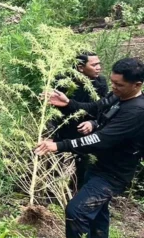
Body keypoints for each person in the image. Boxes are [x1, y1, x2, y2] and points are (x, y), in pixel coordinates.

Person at [36, 58, 144, 238]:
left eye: (119, 84)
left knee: (76, 212)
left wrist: (59, 145)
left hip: (112, 174)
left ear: (137, 84)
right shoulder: (117, 96)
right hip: (97, 165)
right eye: (112, 82)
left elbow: (100, 140)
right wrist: (68, 103)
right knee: (97, 216)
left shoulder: (136, 111)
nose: (114, 87)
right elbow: (95, 108)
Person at [52, 52, 109, 188]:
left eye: (99, 64)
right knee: (55, 166)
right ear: (80, 68)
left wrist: (93, 123)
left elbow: (102, 109)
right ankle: (52, 192)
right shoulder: (62, 81)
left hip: (85, 132)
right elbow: (51, 109)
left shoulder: (100, 83)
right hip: (62, 129)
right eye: (94, 65)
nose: (99, 68)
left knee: (83, 167)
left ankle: (77, 190)